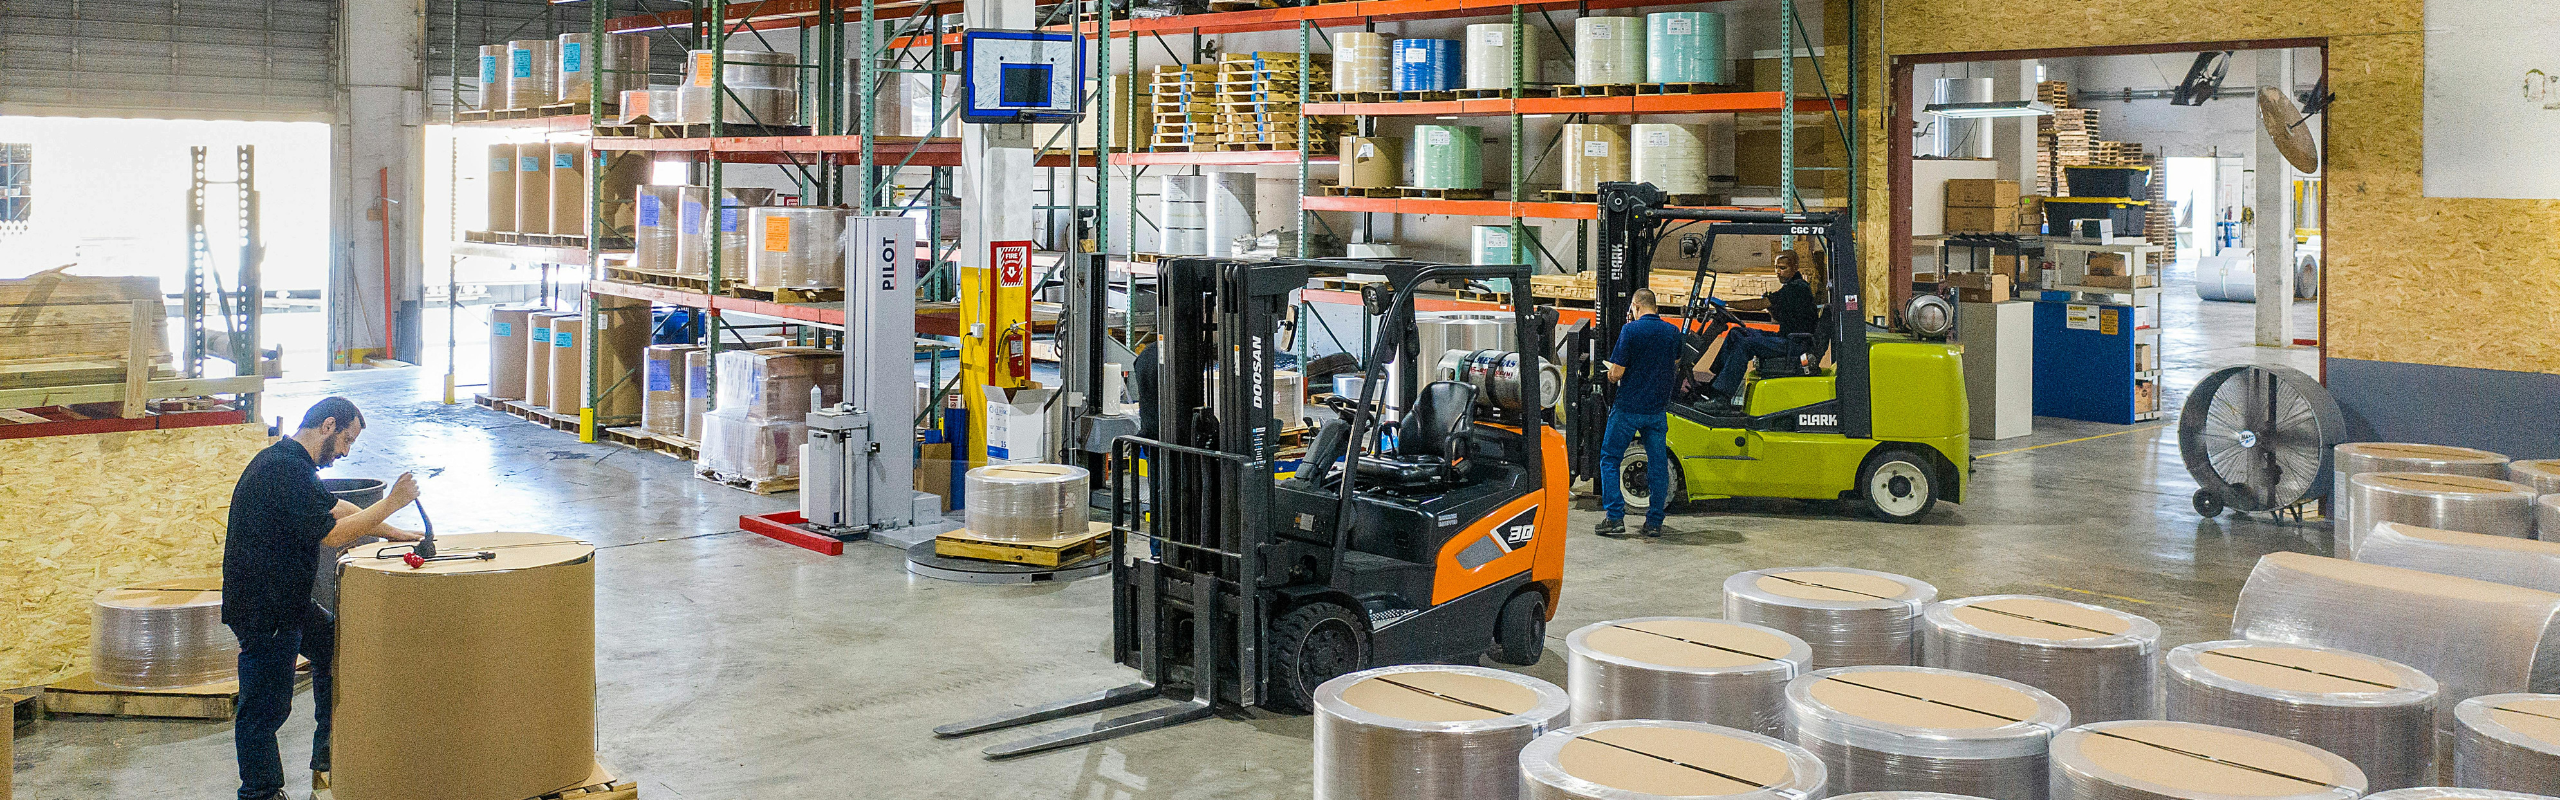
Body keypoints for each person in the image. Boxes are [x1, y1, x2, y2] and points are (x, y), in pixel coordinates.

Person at [223, 397, 421, 800]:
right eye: (346, 439)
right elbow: (332, 534)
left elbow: (336, 508)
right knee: (265, 710)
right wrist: (392, 500)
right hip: (266, 609)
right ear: (328, 425)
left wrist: (393, 531)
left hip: (288, 601)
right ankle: (260, 793)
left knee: (335, 648)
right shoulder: (284, 469)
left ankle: (327, 760)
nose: (346, 451)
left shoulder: (292, 461)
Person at [1597, 289, 1681, 538]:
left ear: (1635, 306)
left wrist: (1611, 373)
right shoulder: (1672, 332)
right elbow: (1674, 363)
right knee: (1657, 464)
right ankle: (1654, 521)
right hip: (1656, 410)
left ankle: (1614, 518)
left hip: (1628, 408)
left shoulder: (1630, 331)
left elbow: (1617, 373)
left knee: (1610, 458)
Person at [1703, 253, 1822, 401]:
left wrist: (1727, 303)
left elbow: (1759, 305)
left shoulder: (1797, 288)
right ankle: (1716, 382)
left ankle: (1722, 398)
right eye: (1776, 268)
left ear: (1795, 268)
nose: (1778, 272)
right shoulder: (1792, 288)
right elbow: (1780, 317)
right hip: (1787, 337)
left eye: (1783, 268)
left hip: (1795, 343)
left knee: (1745, 344)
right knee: (1736, 333)